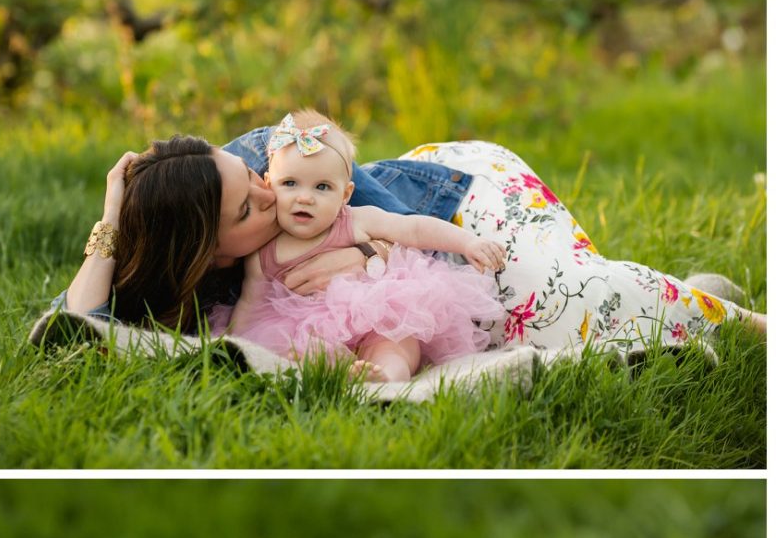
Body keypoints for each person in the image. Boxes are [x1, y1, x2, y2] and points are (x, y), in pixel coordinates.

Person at [53, 124, 765, 352]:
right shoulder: (182, 241)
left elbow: (422, 256)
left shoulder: (285, 155)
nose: (271, 188)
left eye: (250, 173)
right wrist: (112, 217)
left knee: (566, 303)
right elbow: (80, 327)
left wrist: (359, 254)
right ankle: (685, 298)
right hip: (434, 223)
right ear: (209, 254)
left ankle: (746, 325)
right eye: (250, 204)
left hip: (459, 201)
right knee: (554, 328)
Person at [216, 112, 506, 381]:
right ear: (269, 184)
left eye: (322, 187)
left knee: (396, 338)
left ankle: (387, 375)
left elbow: (414, 228)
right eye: (290, 183)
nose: (304, 197)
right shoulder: (263, 253)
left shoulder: (354, 220)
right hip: (305, 329)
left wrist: (468, 242)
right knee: (292, 349)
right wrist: (232, 347)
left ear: (346, 194)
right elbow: (249, 308)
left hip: (372, 312)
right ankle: (332, 366)